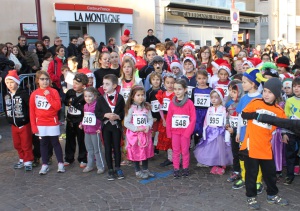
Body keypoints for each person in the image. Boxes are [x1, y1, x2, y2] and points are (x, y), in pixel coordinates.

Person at [240, 78, 288, 209]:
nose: (266, 94)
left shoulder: (279, 110)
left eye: (270, 92)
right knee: (251, 174)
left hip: (266, 147)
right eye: (265, 91)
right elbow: (244, 114)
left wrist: (284, 134)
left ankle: (272, 195)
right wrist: (257, 115)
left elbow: (284, 124)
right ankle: (251, 197)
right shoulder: (256, 102)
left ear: (276, 95)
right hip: (251, 146)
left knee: (270, 174)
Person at [233, 68, 266, 191]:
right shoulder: (243, 98)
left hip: (256, 135)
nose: (243, 85)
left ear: (253, 84)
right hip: (243, 134)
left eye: (245, 82)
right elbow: (240, 116)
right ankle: (244, 177)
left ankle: (257, 180)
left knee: (256, 157)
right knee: (243, 156)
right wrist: (238, 131)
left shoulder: (261, 99)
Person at [29, 71, 65, 175]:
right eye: (42, 79)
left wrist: (48, 96)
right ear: (38, 81)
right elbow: (32, 111)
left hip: (52, 122)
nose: (44, 81)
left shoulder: (53, 91)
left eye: (46, 79)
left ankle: (60, 163)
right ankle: (44, 164)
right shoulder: (34, 94)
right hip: (40, 123)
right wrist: (33, 126)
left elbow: (57, 106)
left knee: (55, 143)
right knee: (43, 143)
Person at [194, 88, 232, 175]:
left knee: (220, 149)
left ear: (221, 99)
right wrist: (204, 132)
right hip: (211, 132)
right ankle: (215, 163)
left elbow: (225, 122)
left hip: (219, 133)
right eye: (212, 97)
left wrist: (226, 136)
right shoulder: (209, 109)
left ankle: (222, 164)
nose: (213, 99)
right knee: (213, 150)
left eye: (216, 97)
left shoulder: (223, 109)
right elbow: (206, 121)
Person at [95, 74, 125, 180]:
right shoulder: (101, 99)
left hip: (116, 126)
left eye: (107, 84)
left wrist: (118, 116)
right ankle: (110, 169)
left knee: (117, 147)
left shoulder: (120, 98)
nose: (104, 86)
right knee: (107, 147)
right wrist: (105, 115)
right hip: (106, 127)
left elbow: (122, 112)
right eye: (103, 84)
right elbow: (97, 112)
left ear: (115, 85)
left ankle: (117, 167)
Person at [4, 70, 34, 170]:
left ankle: (28, 161)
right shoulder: (7, 96)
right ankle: (21, 159)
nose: (9, 85)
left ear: (17, 82)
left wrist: (28, 118)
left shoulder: (24, 94)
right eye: (7, 83)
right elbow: (6, 108)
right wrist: (9, 119)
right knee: (17, 144)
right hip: (13, 124)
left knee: (26, 143)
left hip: (24, 123)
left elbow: (29, 106)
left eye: (11, 82)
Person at [166, 79, 196, 178]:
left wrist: (188, 132)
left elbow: (193, 118)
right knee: (175, 150)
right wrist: (169, 132)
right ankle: (176, 168)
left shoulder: (189, 103)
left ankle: (185, 167)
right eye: (175, 89)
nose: (177, 91)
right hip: (175, 132)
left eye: (179, 89)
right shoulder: (172, 103)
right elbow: (169, 118)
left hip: (185, 132)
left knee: (185, 150)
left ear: (185, 90)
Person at [124, 85, 155, 179]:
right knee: (136, 152)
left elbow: (150, 119)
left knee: (145, 151)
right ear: (133, 96)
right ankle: (137, 170)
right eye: (138, 95)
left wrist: (148, 126)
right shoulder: (131, 108)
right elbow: (126, 123)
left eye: (142, 95)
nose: (141, 97)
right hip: (135, 135)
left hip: (145, 134)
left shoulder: (146, 107)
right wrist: (136, 128)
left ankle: (145, 169)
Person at [79, 87, 105, 174]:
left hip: (95, 131)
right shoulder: (85, 106)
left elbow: (101, 118)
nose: (87, 98)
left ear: (95, 96)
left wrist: (100, 128)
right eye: (85, 96)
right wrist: (81, 123)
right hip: (87, 131)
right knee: (89, 149)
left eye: (90, 96)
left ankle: (100, 166)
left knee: (97, 149)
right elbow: (85, 117)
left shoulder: (97, 105)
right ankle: (89, 165)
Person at [64, 73, 88, 167]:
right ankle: (69, 158)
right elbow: (65, 102)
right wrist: (69, 101)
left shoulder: (86, 95)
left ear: (83, 86)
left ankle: (83, 158)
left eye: (77, 84)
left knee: (81, 140)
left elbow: (84, 107)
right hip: (70, 119)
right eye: (73, 83)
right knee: (69, 140)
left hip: (80, 120)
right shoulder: (70, 92)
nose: (74, 85)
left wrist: (76, 103)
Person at [156, 73, 176, 166]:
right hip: (165, 118)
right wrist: (163, 120)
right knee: (168, 139)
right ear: (164, 83)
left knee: (175, 139)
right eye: (168, 83)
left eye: (172, 83)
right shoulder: (162, 94)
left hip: (174, 119)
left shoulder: (176, 94)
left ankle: (177, 158)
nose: (170, 85)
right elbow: (160, 108)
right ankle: (170, 158)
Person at [283, 77, 300, 185]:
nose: (296, 89)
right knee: (290, 154)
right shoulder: (289, 101)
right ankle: (290, 175)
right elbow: (285, 118)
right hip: (291, 132)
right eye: (294, 86)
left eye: (299, 86)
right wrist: (284, 133)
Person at [225, 82, 244, 182]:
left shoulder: (242, 104)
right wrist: (227, 124)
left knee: (243, 153)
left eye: (234, 92)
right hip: (232, 132)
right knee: (235, 152)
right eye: (231, 91)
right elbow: (227, 115)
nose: (232, 93)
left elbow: (243, 121)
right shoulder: (228, 103)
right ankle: (236, 171)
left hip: (241, 133)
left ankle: (244, 172)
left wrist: (236, 130)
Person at [190, 69, 212, 146]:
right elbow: (192, 103)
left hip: (207, 113)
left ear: (207, 78)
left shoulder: (210, 90)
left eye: (204, 78)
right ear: (196, 79)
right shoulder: (194, 90)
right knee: (197, 131)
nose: (202, 80)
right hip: (197, 113)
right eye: (199, 78)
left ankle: (206, 148)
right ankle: (197, 147)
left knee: (206, 131)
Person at [146, 72, 164, 155]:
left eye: (157, 79)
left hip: (162, 116)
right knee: (153, 132)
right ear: (150, 81)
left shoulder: (163, 91)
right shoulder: (149, 92)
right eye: (153, 79)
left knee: (160, 132)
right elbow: (147, 105)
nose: (156, 81)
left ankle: (159, 147)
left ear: (160, 81)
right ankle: (153, 148)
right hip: (153, 116)